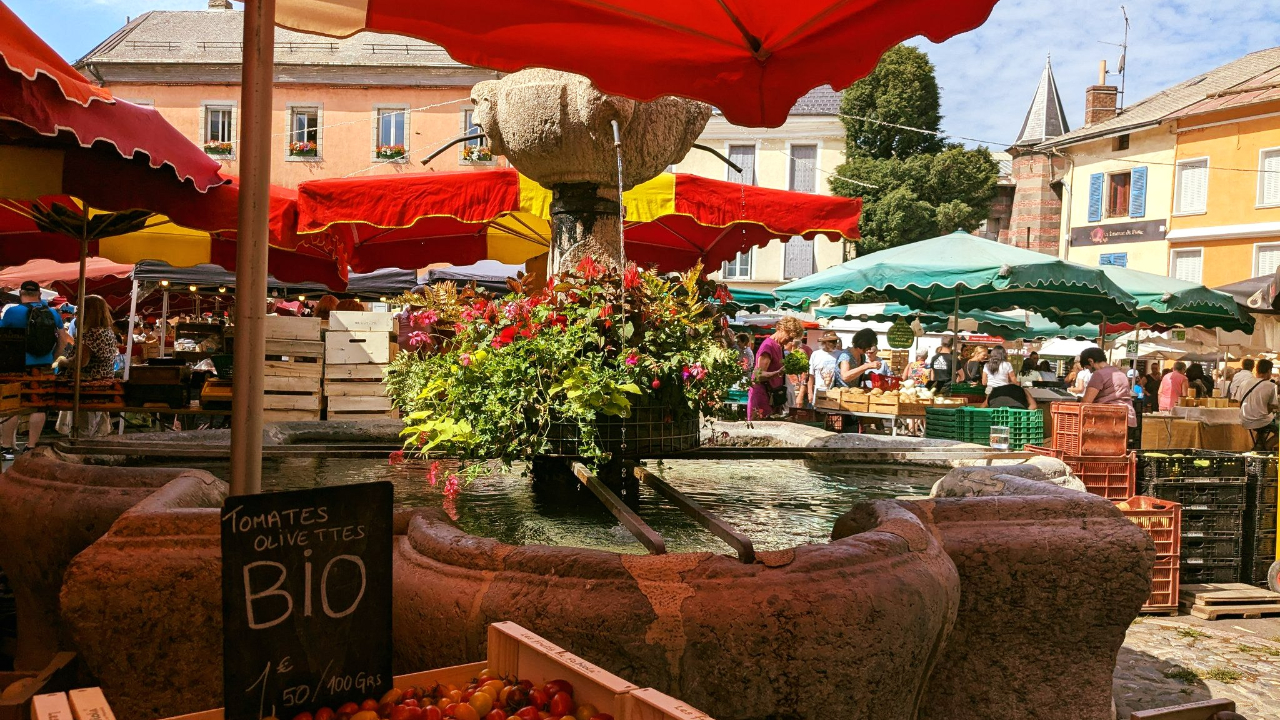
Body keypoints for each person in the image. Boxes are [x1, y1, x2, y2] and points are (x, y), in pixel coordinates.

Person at [0, 281, 64, 456]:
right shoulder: (52, 313)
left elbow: (4, 339)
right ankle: (31, 445)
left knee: (13, 405)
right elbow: (63, 341)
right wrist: (52, 358)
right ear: (39, 294)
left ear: (21, 293)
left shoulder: (12, 312)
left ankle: (6, 446)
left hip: (16, 365)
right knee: (39, 405)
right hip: (43, 365)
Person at [53, 295, 117, 437]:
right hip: (104, 384)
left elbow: (81, 362)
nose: (77, 313)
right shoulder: (108, 332)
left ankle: (80, 455)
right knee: (96, 429)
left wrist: (63, 361)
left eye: (79, 309)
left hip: (88, 387)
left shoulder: (91, 334)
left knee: (83, 430)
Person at [748, 316, 804, 420]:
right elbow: (758, 375)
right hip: (762, 397)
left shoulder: (779, 346)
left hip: (772, 397)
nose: (790, 341)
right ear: (782, 329)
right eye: (790, 337)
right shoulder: (768, 346)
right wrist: (778, 372)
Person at [1080, 346, 1136, 430]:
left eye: (1088, 368)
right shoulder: (1120, 373)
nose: (1090, 371)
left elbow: (1086, 402)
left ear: (1091, 361)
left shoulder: (1098, 374)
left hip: (1109, 420)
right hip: (1128, 418)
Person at [1238, 359, 1280, 451]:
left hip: (1244, 420)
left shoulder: (1245, 383)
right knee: (1275, 425)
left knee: (1263, 427)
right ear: (1269, 371)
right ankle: (1266, 448)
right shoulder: (1271, 386)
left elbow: (1238, 400)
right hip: (1260, 421)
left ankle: (1259, 446)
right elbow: (1273, 406)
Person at [806, 332, 842, 404]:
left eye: (835, 341)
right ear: (824, 342)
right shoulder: (816, 354)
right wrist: (810, 393)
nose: (834, 344)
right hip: (819, 393)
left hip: (836, 394)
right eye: (831, 342)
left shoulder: (840, 354)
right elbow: (811, 375)